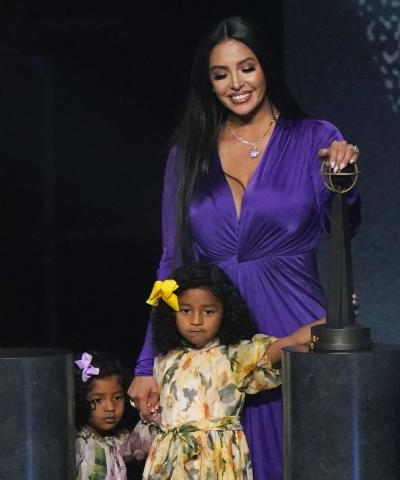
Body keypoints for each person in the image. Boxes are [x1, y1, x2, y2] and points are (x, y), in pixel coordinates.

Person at [128, 16, 360, 479]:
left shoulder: (315, 137)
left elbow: (344, 230)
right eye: (221, 74)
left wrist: (344, 183)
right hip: (216, 349)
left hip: (297, 331)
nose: (237, 83)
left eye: (247, 67)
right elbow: (172, 261)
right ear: (209, 84)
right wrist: (147, 362)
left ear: (265, 68)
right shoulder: (189, 152)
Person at [141, 262, 314, 479]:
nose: (196, 320)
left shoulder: (234, 355)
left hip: (217, 462)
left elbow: (292, 342)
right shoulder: (163, 360)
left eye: (208, 311)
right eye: (185, 310)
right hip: (168, 463)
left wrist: (336, 319)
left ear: (225, 312)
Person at [73, 351, 154, 480]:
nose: (110, 407)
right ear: (81, 400)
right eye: (98, 400)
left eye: (117, 397)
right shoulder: (76, 443)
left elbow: (145, 442)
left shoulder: (120, 440)